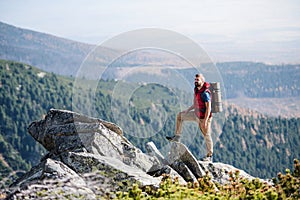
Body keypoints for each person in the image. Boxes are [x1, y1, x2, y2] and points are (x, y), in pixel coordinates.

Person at [166, 73, 213, 162]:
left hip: (204, 117)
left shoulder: (205, 93)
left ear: (202, 81)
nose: (195, 81)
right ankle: (177, 137)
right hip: (196, 114)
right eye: (195, 80)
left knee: (206, 135)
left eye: (197, 80)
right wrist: (187, 111)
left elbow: (208, 108)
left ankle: (209, 156)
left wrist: (205, 121)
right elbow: (196, 103)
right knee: (180, 116)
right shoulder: (196, 90)